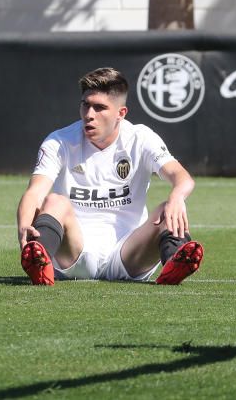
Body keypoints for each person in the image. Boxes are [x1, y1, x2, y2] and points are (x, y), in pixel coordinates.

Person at [16, 67, 204, 286]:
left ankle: (175, 262)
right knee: (53, 201)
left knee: (166, 209)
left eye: (100, 108)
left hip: (130, 254)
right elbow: (35, 191)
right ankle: (38, 260)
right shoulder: (59, 141)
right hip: (75, 254)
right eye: (85, 104)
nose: (89, 114)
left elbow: (182, 178)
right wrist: (24, 228)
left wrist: (177, 197)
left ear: (120, 114)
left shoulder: (141, 138)